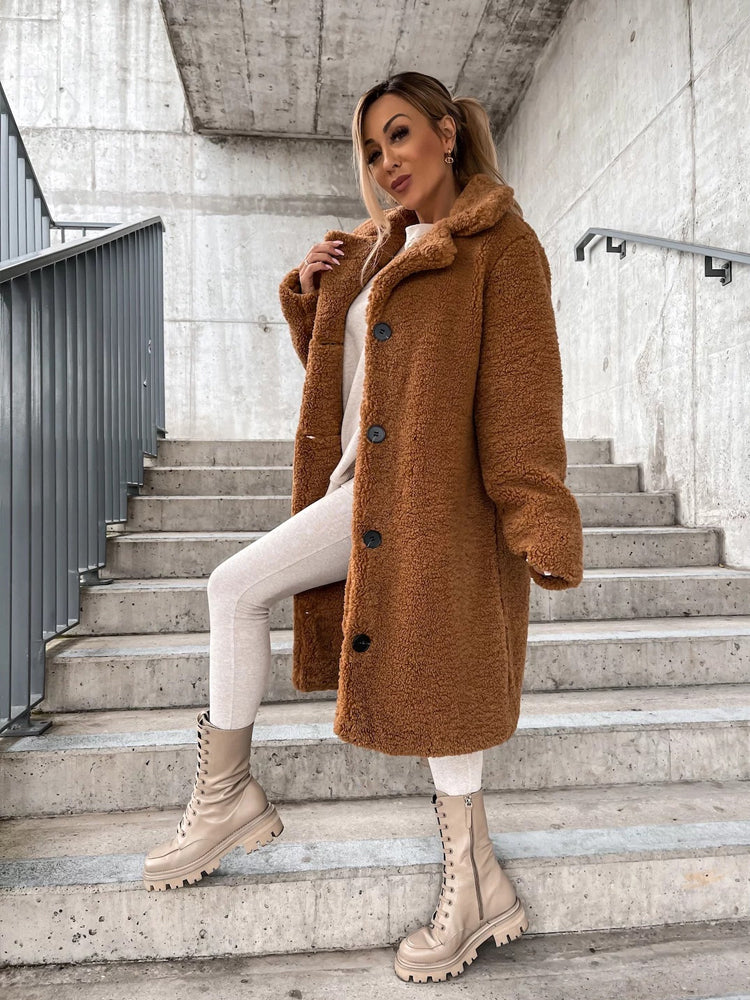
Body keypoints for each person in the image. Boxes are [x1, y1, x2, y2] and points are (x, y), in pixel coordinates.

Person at [143, 71, 584, 985]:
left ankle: (452, 880)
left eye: (400, 135)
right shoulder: (377, 249)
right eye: (373, 150)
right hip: (365, 487)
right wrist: (315, 302)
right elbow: (359, 388)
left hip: (434, 497)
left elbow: (523, 392)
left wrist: (538, 509)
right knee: (250, 595)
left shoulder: (501, 245)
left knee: (439, 681)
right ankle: (460, 878)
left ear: (447, 133)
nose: (387, 163)